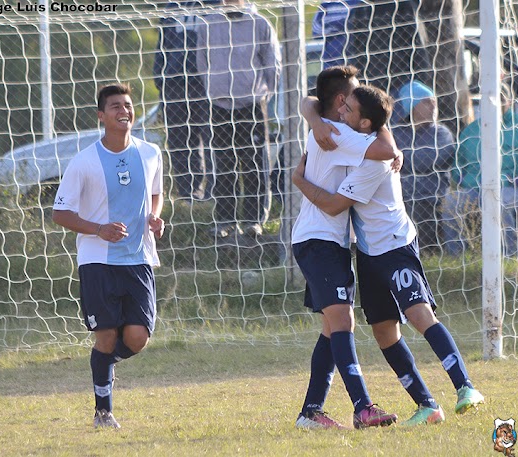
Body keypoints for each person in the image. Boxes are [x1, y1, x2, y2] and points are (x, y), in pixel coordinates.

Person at [294, 83, 485, 427]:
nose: (341, 112)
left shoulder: (374, 160)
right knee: (384, 331)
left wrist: (299, 179)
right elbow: (311, 103)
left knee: (419, 314)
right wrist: (314, 117)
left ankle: (466, 387)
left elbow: (336, 205)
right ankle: (427, 404)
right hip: (368, 254)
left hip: (395, 246)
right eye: (343, 106)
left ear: (365, 124)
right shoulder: (357, 140)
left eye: (348, 110)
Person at [292, 66, 401, 430]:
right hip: (319, 239)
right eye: (354, 98)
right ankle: (362, 407)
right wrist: (392, 144)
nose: (354, 103)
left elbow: (309, 102)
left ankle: (311, 412)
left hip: (325, 239)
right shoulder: (338, 131)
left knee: (331, 327)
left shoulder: (327, 125)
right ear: (341, 102)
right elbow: (384, 148)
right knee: (342, 320)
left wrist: (311, 112)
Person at [52, 83, 165, 429]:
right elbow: (60, 213)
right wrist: (98, 228)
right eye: (115, 106)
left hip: (138, 260)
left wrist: (154, 217)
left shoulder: (150, 153)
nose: (124, 111)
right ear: (102, 116)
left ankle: (103, 364)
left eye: (128, 106)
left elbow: (156, 194)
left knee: (137, 338)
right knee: (105, 336)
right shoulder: (84, 161)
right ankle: (104, 411)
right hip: (98, 262)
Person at [196, 0, 281, 238]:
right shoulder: (208, 24)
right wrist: (214, 89)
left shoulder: (260, 23)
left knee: (255, 164)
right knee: (223, 165)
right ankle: (225, 221)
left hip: (251, 106)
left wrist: (265, 96)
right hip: (220, 106)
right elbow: (202, 62)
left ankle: (254, 221)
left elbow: (272, 63)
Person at [442, 87, 518, 257]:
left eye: (499, 99)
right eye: (488, 98)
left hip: (515, 190)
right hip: (475, 190)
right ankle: (457, 257)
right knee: (451, 202)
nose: (493, 103)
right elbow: (458, 165)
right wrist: (464, 180)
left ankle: (508, 257)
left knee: (497, 201)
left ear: (508, 102)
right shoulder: (471, 131)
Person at [153, 1, 220, 201]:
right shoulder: (172, 7)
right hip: (174, 82)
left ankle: (214, 193)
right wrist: (160, 77)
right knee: (178, 140)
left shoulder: (216, 5)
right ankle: (188, 192)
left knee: (213, 139)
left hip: (206, 82)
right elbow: (162, 45)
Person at [393, 80, 455, 253]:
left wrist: (399, 157)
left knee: (418, 207)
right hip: (401, 193)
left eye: (434, 100)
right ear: (411, 106)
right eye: (427, 101)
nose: (434, 105)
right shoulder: (396, 132)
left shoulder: (442, 133)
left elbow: (425, 160)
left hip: (432, 195)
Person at [311, 0, 361, 69]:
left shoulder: (359, 2)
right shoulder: (327, 3)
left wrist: (331, 26)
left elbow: (358, 26)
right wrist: (340, 26)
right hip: (330, 63)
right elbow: (316, 31)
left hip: (354, 59)